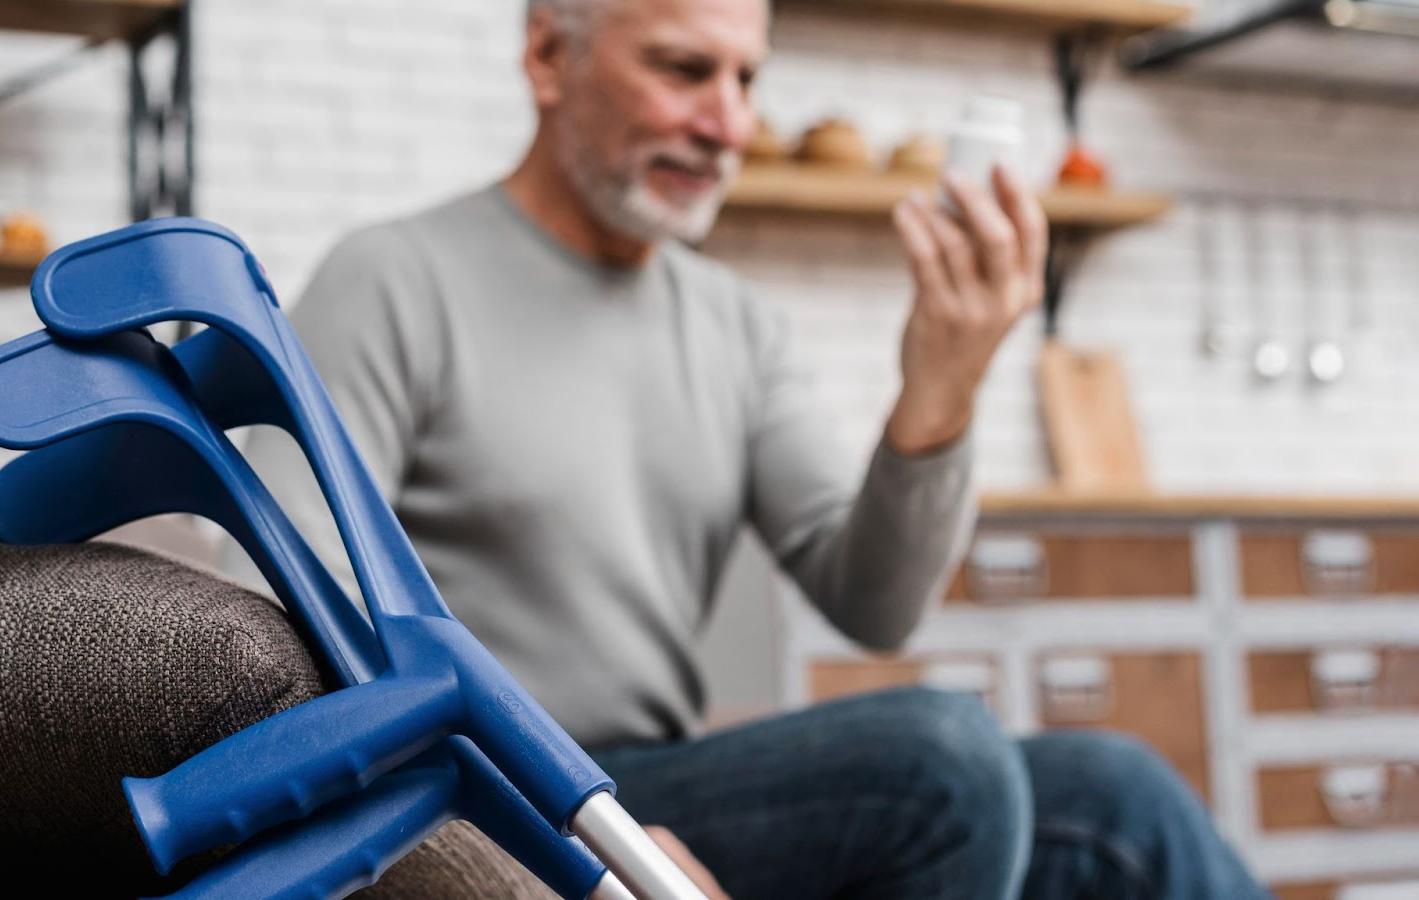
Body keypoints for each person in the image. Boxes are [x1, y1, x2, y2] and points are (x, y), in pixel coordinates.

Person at [226, 0, 1273, 897]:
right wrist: (556, 820)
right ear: (550, 56)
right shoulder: (394, 280)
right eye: (685, 70)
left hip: (661, 783)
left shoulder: (735, 323)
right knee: (941, 756)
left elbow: (874, 603)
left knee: (1112, 788)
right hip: (500, 779)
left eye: (745, 77)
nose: (729, 121)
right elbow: (286, 622)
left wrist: (940, 389)